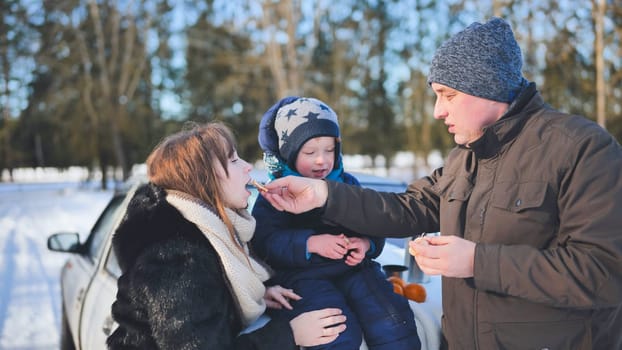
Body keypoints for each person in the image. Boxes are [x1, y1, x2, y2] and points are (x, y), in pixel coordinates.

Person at [259, 17, 622, 350]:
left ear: (487, 88)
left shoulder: (581, 149)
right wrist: (323, 194)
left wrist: (478, 261)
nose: (437, 111)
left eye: (448, 95)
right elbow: (407, 208)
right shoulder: (465, 159)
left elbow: (604, 271)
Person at [106, 122, 347, 350]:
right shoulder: (176, 260)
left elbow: (208, 300)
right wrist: (289, 333)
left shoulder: (208, 232)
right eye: (232, 160)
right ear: (203, 179)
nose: (247, 166)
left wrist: (255, 294)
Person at [251, 96, 421, 350]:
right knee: (334, 330)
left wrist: (366, 244)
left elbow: (373, 221)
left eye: (329, 150)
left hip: (354, 270)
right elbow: (265, 242)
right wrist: (309, 243)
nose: (322, 160)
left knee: (392, 320)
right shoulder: (276, 192)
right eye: (310, 152)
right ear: (289, 153)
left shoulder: (348, 184)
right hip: (303, 279)